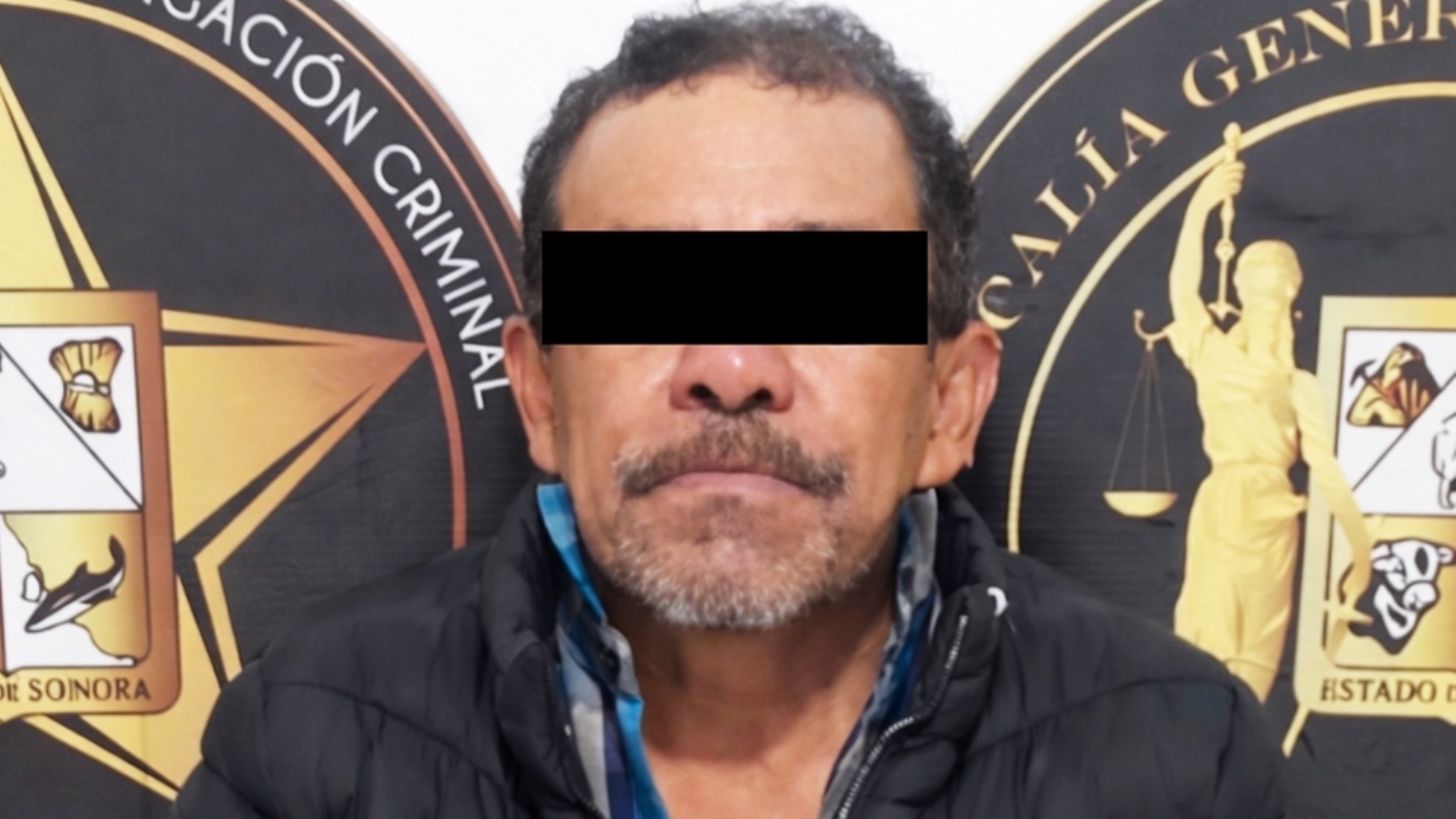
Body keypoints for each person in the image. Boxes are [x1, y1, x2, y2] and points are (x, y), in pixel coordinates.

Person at [173, 5, 1284, 817]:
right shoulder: (303, 752)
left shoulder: (1179, 767)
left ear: (950, 404)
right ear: (541, 393)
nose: (734, 365)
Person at [1167, 159, 1375, 702]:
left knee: (1256, 660)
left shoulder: (1298, 384)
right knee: (1207, 645)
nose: (1268, 309)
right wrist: (1201, 205)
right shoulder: (1214, 356)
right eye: (1260, 295)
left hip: (1274, 518)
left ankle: (1242, 747)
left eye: (1276, 298)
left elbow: (1329, 475)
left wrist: (1363, 554)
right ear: (1243, 296)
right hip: (1223, 508)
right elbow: (1183, 291)